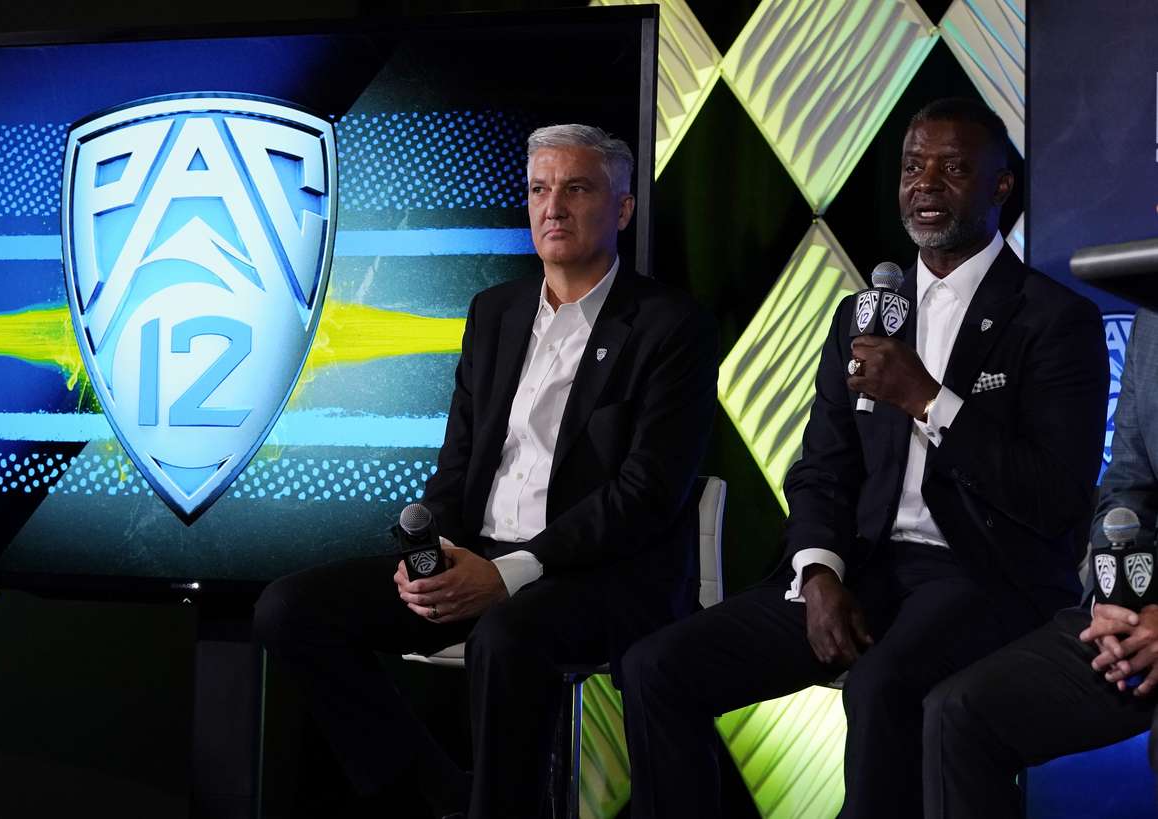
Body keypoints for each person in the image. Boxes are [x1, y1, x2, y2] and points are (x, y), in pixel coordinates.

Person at [619, 97, 1108, 819]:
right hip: (862, 566)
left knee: (884, 684)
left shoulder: (1055, 318)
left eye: (952, 167)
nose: (925, 183)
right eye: (913, 166)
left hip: (982, 573)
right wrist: (818, 570)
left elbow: (1055, 496)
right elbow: (823, 467)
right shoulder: (862, 313)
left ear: (1000, 187)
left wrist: (929, 400)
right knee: (655, 666)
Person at [253, 124, 717, 819]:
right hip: (480, 557)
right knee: (289, 610)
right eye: (538, 189)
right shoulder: (494, 312)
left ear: (621, 208)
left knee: (506, 634)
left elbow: (643, 495)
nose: (552, 206)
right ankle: (434, 796)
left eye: (577, 188)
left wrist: (508, 573)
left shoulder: (670, 325)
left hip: (603, 574)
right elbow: (458, 466)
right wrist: (428, 553)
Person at [923, 308, 1158, 818]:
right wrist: (1117, 598)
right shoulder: (1151, 314)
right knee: (958, 715)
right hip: (1139, 609)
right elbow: (1127, 482)